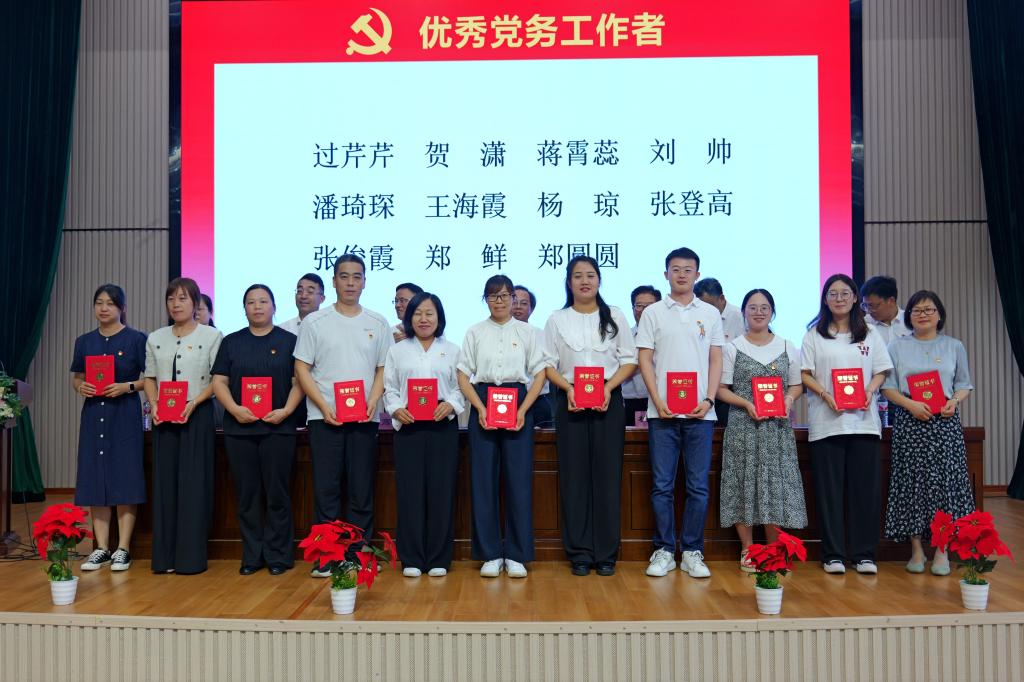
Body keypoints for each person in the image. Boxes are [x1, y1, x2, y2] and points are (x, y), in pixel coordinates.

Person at [293, 254, 391, 576]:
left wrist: (372, 402)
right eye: (344, 276)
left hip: (364, 419)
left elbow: (383, 369)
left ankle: (355, 556)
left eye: (357, 277)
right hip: (324, 419)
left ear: (364, 282)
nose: (350, 283)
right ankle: (326, 557)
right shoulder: (315, 322)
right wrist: (323, 406)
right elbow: (302, 368)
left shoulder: (378, 322)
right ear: (334, 281)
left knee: (361, 491)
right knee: (327, 490)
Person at [544, 256, 637, 576]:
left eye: (590, 275)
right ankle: (579, 552)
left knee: (607, 478)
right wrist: (567, 389)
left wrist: (608, 388)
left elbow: (629, 360)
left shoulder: (616, 316)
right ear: (569, 282)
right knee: (574, 478)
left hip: (608, 402)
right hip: (569, 401)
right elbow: (547, 365)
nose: (584, 281)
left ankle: (606, 553)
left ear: (599, 280)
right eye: (578, 276)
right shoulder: (557, 319)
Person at [636, 247, 723, 579]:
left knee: (698, 486)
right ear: (666, 274)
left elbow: (716, 358)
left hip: (701, 415)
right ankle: (663, 550)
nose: (682, 274)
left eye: (688, 269)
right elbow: (645, 359)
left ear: (697, 275)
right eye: (676, 269)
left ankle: (692, 551)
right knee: (662, 486)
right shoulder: (653, 313)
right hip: (662, 414)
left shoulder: (710, 314)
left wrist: (709, 399)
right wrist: (656, 399)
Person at [800, 274, 893, 575]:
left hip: (864, 423)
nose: (839, 298)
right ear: (825, 299)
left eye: (844, 293)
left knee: (864, 491)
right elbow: (804, 374)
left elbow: (882, 370)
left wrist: (869, 391)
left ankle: (864, 554)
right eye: (833, 293)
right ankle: (833, 555)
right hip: (826, 424)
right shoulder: (814, 334)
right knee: (829, 493)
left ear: (854, 298)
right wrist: (825, 394)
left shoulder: (870, 333)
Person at [457, 274, 548, 579]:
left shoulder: (528, 332)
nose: (499, 301)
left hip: (517, 402)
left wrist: (523, 409)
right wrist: (479, 407)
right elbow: (463, 375)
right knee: (483, 481)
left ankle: (518, 554)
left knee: (518, 481)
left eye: (505, 296)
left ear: (513, 299)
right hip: (484, 401)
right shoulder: (475, 331)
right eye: (493, 296)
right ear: (485, 300)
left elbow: (539, 374)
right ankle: (490, 554)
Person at [212, 284, 304, 576]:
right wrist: (235, 409)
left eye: (263, 301)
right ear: (244, 309)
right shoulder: (231, 342)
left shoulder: (290, 341)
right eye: (251, 302)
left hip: (279, 428)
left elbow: (299, 382)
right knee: (247, 496)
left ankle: (279, 556)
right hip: (240, 430)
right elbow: (219, 382)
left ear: (274, 307)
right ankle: (252, 555)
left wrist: (286, 411)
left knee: (278, 495)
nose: (258, 306)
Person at [882, 290, 974, 575]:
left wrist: (953, 402)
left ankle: (942, 550)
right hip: (910, 422)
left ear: (939, 314)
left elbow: (964, 384)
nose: (923, 315)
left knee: (944, 486)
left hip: (944, 423)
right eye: (917, 310)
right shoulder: (896, 346)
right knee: (912, 484)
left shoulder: (954, 346)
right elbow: (888, 388)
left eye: (929, 309)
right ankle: (917, 550)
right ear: (908, 316)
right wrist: (910, 405)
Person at [715, 289, 806, 572]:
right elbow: (720, 389)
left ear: (772, 312)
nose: (758, 312)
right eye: (752, 307)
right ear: (743, 312)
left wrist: (788, 399)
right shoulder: (732, 347)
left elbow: (796, 384)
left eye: (764, 307)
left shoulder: (787, 346)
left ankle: (775, 550)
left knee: (775, 486)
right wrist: (746, 403)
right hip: (743, 427)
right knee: (742, 484)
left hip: (776, 429)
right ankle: (748, 550)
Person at [143, 277, 223, 574]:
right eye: (171, 299)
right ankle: (164, 558)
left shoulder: (212, 336)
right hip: (164, 418)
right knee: (164, 485)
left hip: (197, 414)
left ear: (195, 303)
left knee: (194, 486)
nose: (175, 304)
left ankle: (190, 559)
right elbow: (150, 377)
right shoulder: (156, 337)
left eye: (182, 298)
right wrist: (154, 405)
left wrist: (195, 402)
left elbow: (218, 380)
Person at [383, 292, 464, 577]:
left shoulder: (452, 350)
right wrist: (396, 409)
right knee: (410, 492)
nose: (424, 319)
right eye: (417, 313)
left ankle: (439, 558)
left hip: (442, 426)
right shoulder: (397, 351)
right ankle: (412, 558)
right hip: (409, 426)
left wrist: (450, 404)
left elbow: (460, 387)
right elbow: (390, 388)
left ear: (439, 318)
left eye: (430, 313)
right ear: (409, 318)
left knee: (441, 491)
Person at [71, 284, 147, 572]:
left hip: (124, 414)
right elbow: (77, 377)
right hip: (94, 416)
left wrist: (127, 386)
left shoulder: (137, 339)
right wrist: (81, 387)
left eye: (110, 303)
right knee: (95, 478)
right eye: (99, 303)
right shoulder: (84, 341)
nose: (104, 308)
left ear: (122, 308)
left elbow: (150, 378)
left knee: (125, 476)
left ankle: (123, 548)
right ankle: (101, 548)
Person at [512, 284, 554, 428]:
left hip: (537, 401)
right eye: (514, 302)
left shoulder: (542, 335)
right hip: (506, 400)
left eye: (524, 303)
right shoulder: (494, 334)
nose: (518, 307)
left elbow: (550, 367)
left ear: (532, 309)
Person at [621, 285, 661, 428]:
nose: (644, 311)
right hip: (632, 401)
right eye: (639, 306)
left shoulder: (667, 337)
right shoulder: (625, 336)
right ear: (632, 308)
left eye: (649, 306)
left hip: (662, 400)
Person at [860, 275, 911, 345]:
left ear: (891, 301)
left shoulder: (910, 320)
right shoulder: (864, 324)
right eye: (865, 305)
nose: (869, 311)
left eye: (873, 306)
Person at [695, 277, 744, 344]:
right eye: (701, 307)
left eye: (709, 306)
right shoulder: (695, 316)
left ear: (722, 299)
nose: (705, 311)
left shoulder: (740, 317)